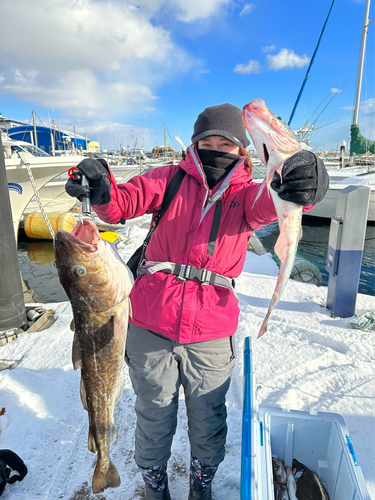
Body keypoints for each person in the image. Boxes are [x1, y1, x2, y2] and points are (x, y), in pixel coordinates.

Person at [65, 103, 329, 500]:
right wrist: (101, 187)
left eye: (226, 142)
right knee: (153, 415)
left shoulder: (246, 196)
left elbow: (280, 200)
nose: (215, 148)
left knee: (209, 418)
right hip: (150, 325)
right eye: (207, 141)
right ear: (194, 144)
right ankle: (155, 483)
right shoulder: (168, 179)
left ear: (242, 150)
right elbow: (120, 204)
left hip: (211, 331)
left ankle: (201, 481)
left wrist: (308, 184)